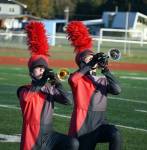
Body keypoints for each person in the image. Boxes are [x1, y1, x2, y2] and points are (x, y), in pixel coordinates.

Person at [17, 21, 79, 150]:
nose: (41, 70)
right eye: (38, 68)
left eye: (43, 68)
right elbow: (27, 98)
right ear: (30, 72)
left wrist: (58, 83)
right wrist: (42, 81)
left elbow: (69, 101)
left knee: (72, 143)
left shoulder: (50, 89)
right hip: (32, 136)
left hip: (48, 135)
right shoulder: (24, 89)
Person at [66, 21, 122, 150]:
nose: (93, 59)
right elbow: (74, 79)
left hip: (100, 123)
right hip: (83, 126)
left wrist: (106, 69)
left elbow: (117, 90)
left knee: (115, 134)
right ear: (81, 62)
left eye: (93, 57)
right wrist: (91, 64)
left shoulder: (102, 79)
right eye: (89, 58)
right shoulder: (77, 78)